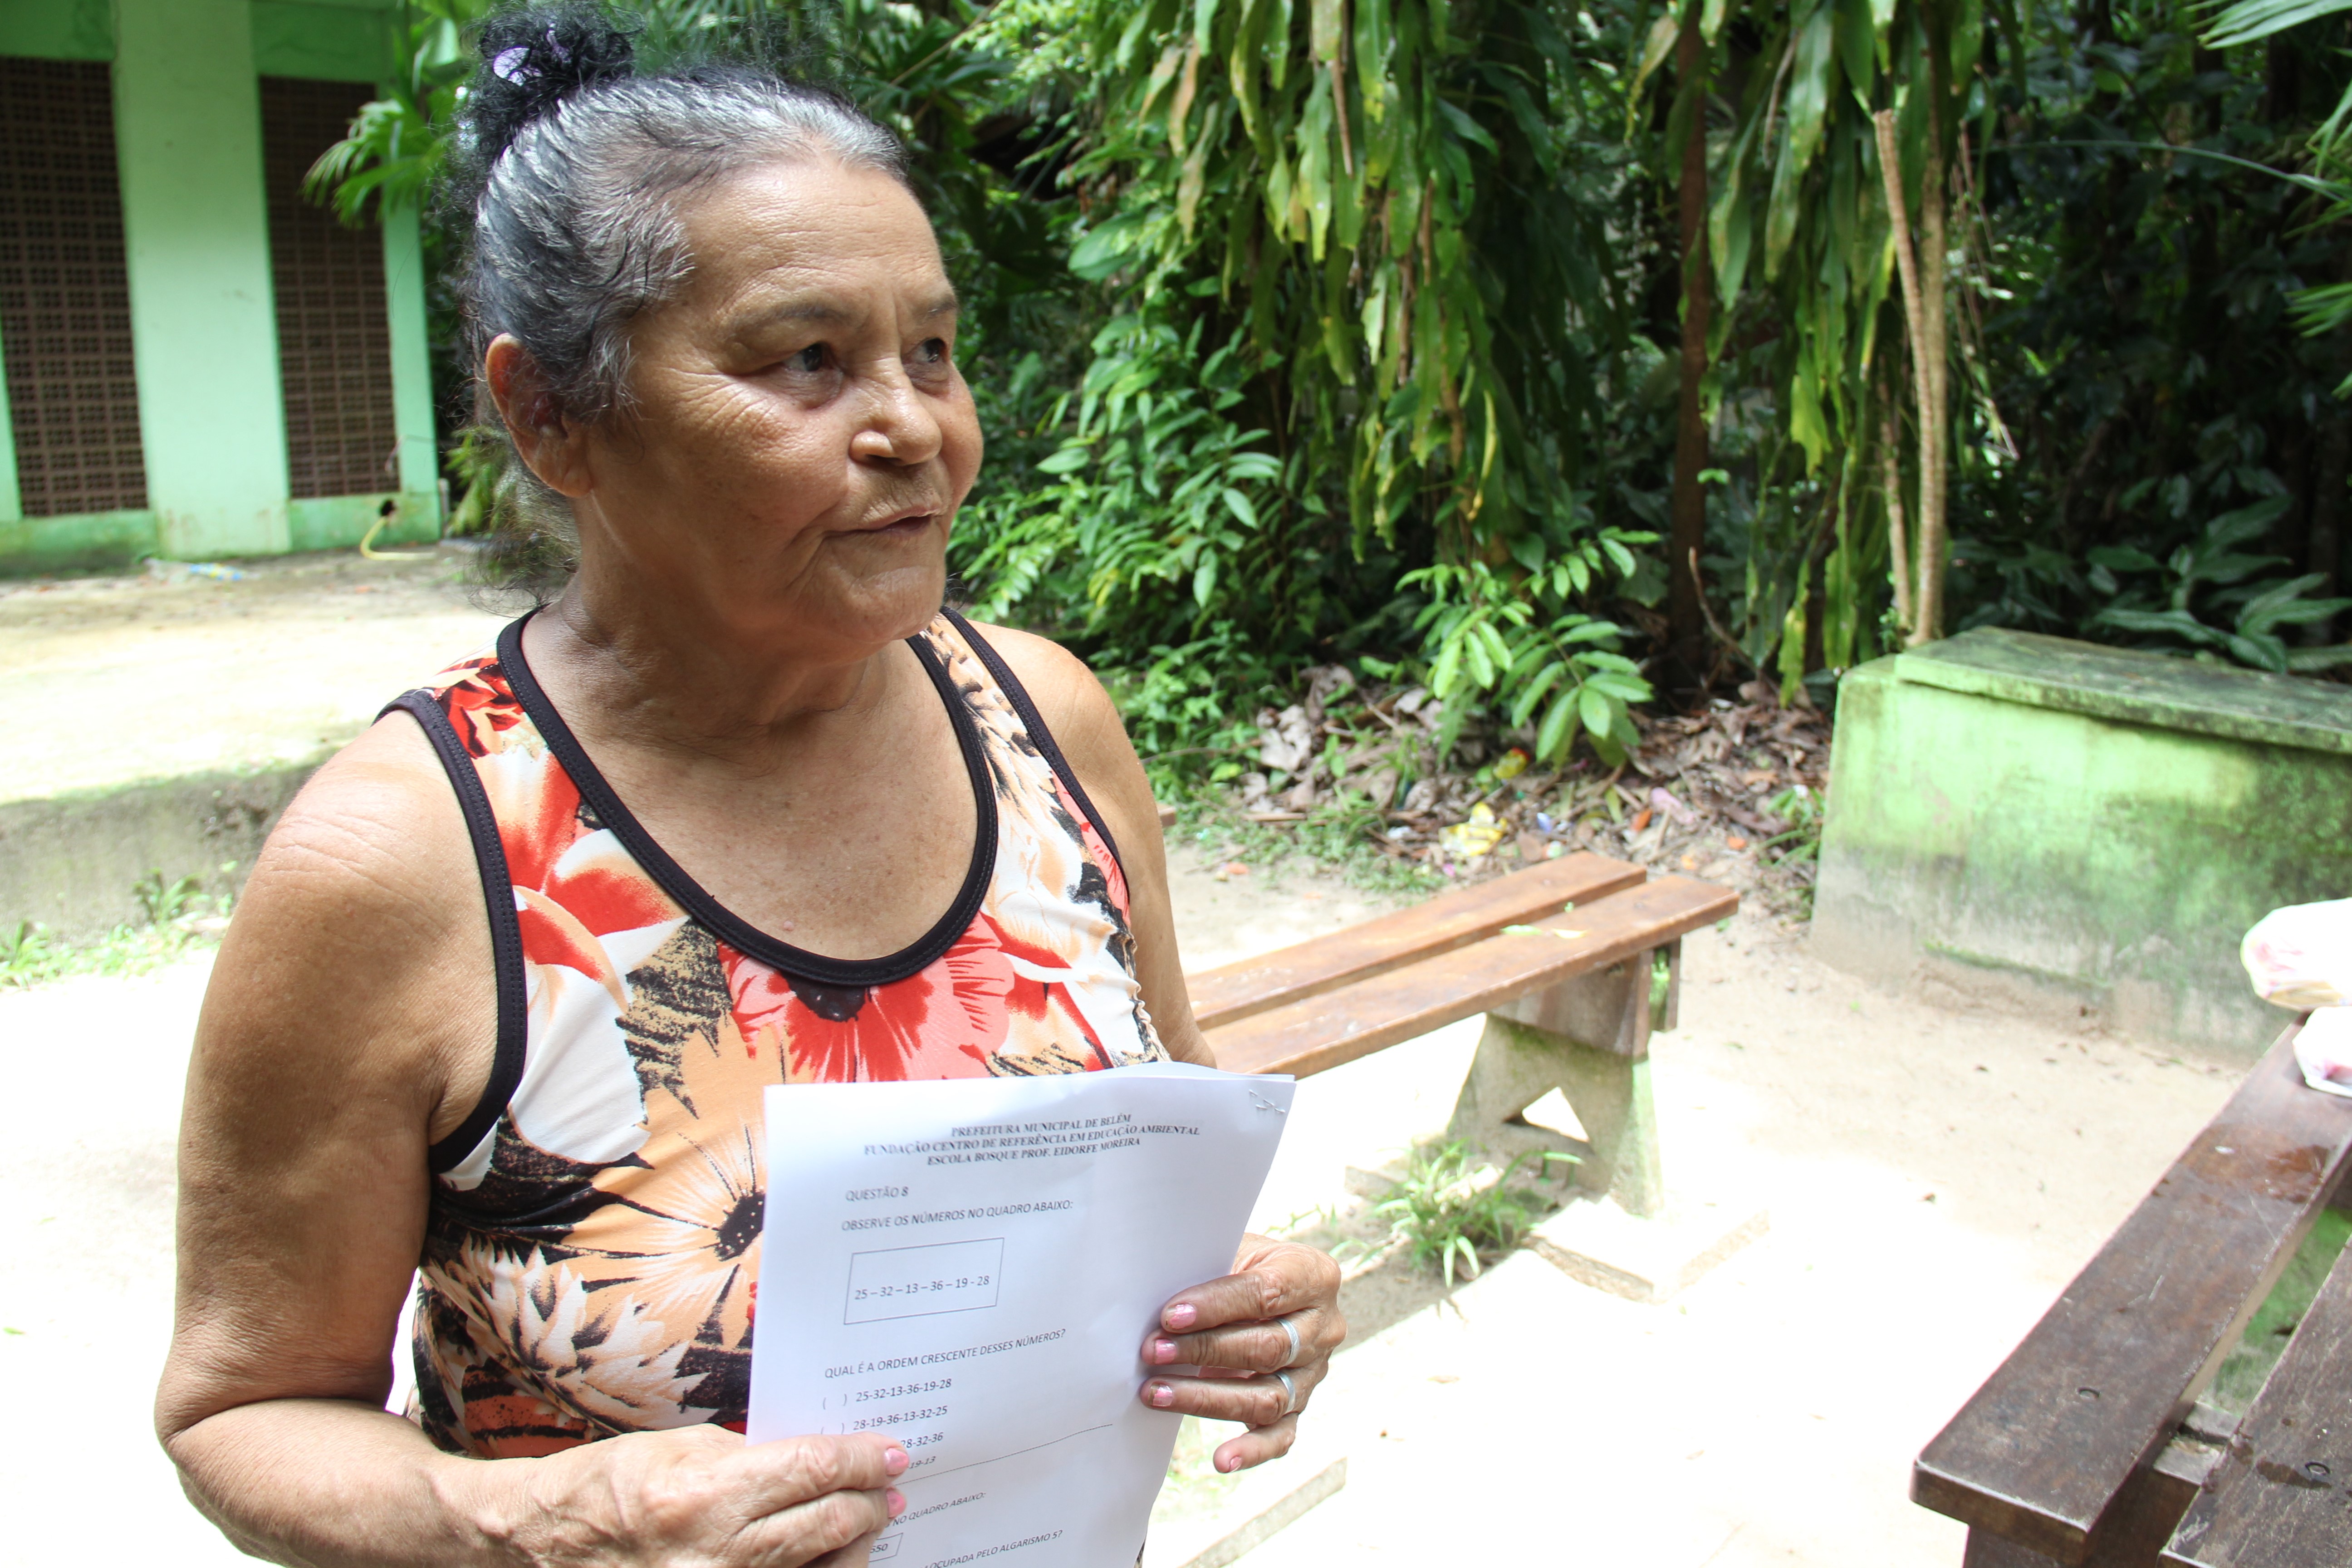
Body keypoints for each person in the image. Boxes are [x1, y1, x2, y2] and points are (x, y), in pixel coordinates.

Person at [154, 10, 1343, 1563]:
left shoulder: (1046, 721)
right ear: (551, 415)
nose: (913, 427)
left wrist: (1246, 1295)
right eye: (807, 361)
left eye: (932, 349)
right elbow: (237, 1415)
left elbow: (1162, 1107)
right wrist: (542, 1521)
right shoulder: (414, 862)